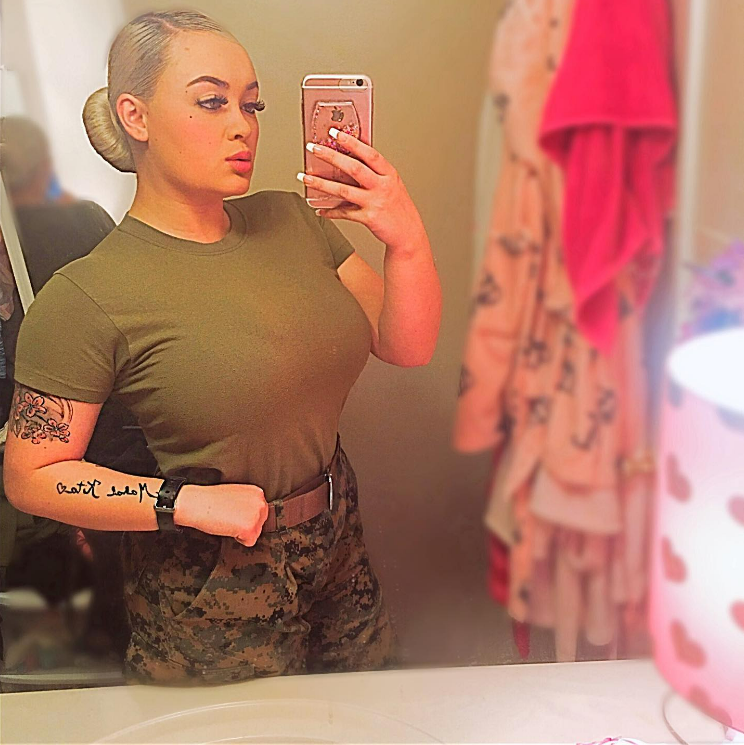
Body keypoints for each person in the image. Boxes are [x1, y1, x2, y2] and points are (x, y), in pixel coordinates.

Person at [3, 10, 441, 686]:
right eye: (212, 102)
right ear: (136, 116)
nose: (243, 125)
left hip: (337, 545)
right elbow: (32, 474)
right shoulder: (88, 295)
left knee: (369, 711)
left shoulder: (293, 220)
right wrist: (183, 502)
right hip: (211, 581)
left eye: (251, 104)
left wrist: (405, 239)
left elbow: (404, 344)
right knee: (251, 730)